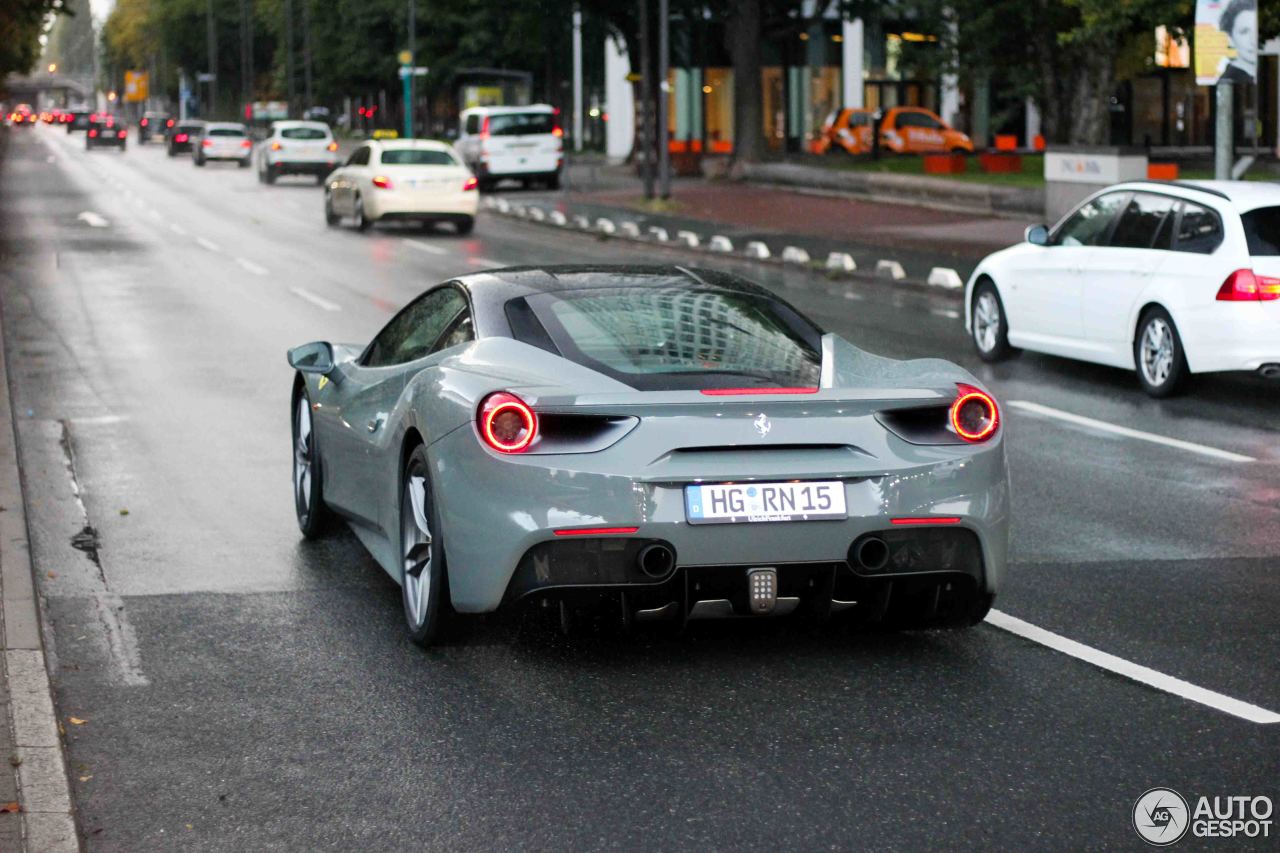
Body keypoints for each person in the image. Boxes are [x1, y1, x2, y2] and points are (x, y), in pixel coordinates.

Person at [1218, 0, 1258, 84]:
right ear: (1230, 39)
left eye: (1257, 31)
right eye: (1244, 32)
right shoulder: (1229, 82)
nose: (1253, 40)